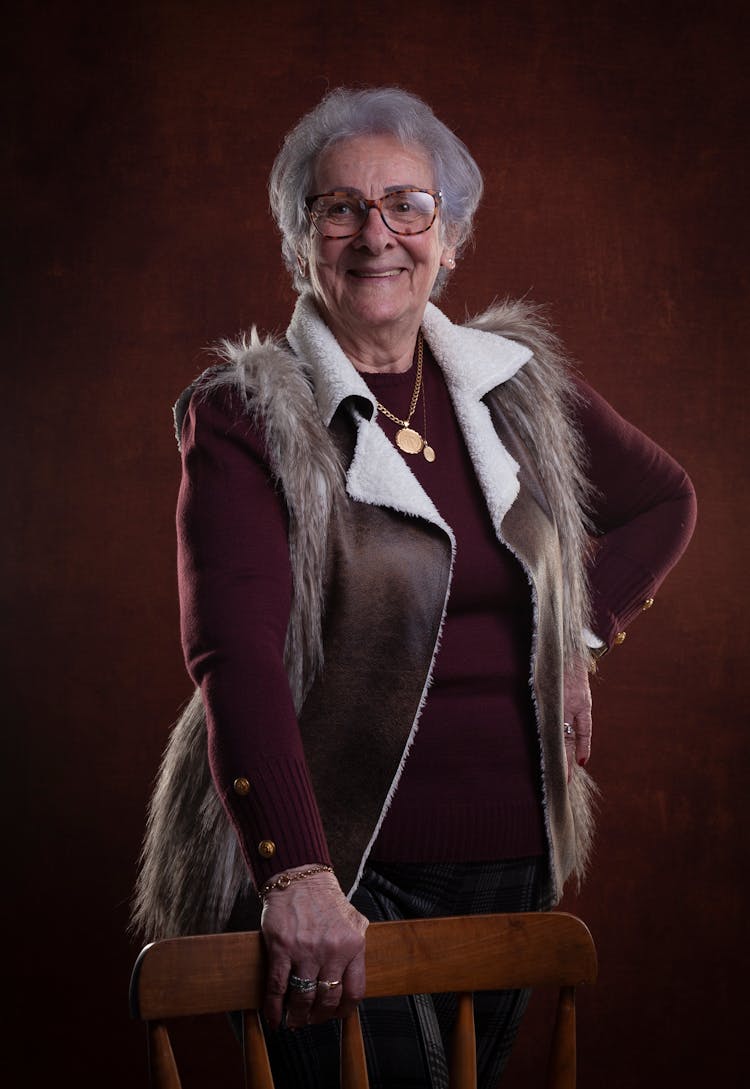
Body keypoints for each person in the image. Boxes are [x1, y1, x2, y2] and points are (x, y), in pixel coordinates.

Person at [131, 86, 697, 1087]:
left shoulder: (513, 381)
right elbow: (236, 654)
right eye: (339, 207)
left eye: (407, 204)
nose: (375, 233)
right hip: (338, 868)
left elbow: (663, 503)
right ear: (299, 242)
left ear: (451, 234)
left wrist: (575, 636)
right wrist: (297, 875)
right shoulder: (247, 415)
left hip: (512, 866)